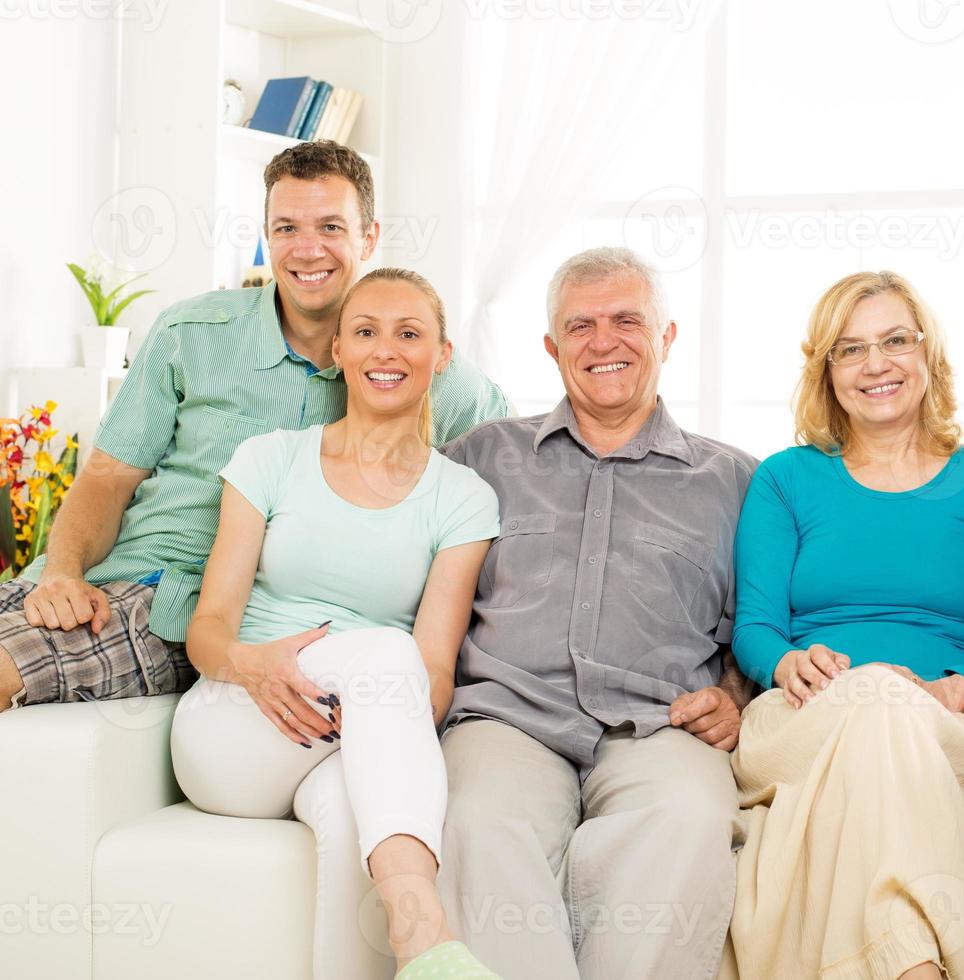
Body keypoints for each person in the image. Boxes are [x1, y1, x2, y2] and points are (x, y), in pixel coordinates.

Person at [0, 140, 510, 713]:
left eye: (331, 227)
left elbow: (519, 470)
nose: (307, 249)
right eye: (286, 227)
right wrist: (61, 573)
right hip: (74, 581)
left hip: (173, 606)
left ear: (369, 238)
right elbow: (106, 477)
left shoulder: (417, 366)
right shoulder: (190, 330)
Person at [169, 269, 502, 979]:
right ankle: (428, 934)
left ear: (442, 355)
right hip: (234, 725)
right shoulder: (269, 460)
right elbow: (210, 630)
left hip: (355, 730)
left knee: (365, 825)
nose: (387, 350)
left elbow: (435, 672)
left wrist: (380, 719)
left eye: (409, 334)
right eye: (366, 331)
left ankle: (421, 956)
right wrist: (254, 664)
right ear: (339, 353)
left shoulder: (464, 497)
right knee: (386, 651)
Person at [435, 246, 755, 980]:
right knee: (478, 822)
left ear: (667, 337)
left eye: (626, 321)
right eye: (580, 325)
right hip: (506, 718)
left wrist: (737, 699)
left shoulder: (736, 480)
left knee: (691, 820)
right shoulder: (480, 459)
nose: (602, 341)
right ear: (552, 347)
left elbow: (765, 627)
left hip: (661, 724)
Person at [729, 270, 964, 980]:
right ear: (826, 371)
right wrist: (783, 664)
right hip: (811, 720)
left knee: (885, 710)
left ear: (929, 354)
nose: (876, 365)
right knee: (871, 701)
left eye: (896, 340)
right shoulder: (785, 478)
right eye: (850, 348)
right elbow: (756, 627)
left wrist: (947, 694)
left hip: (957, 725)